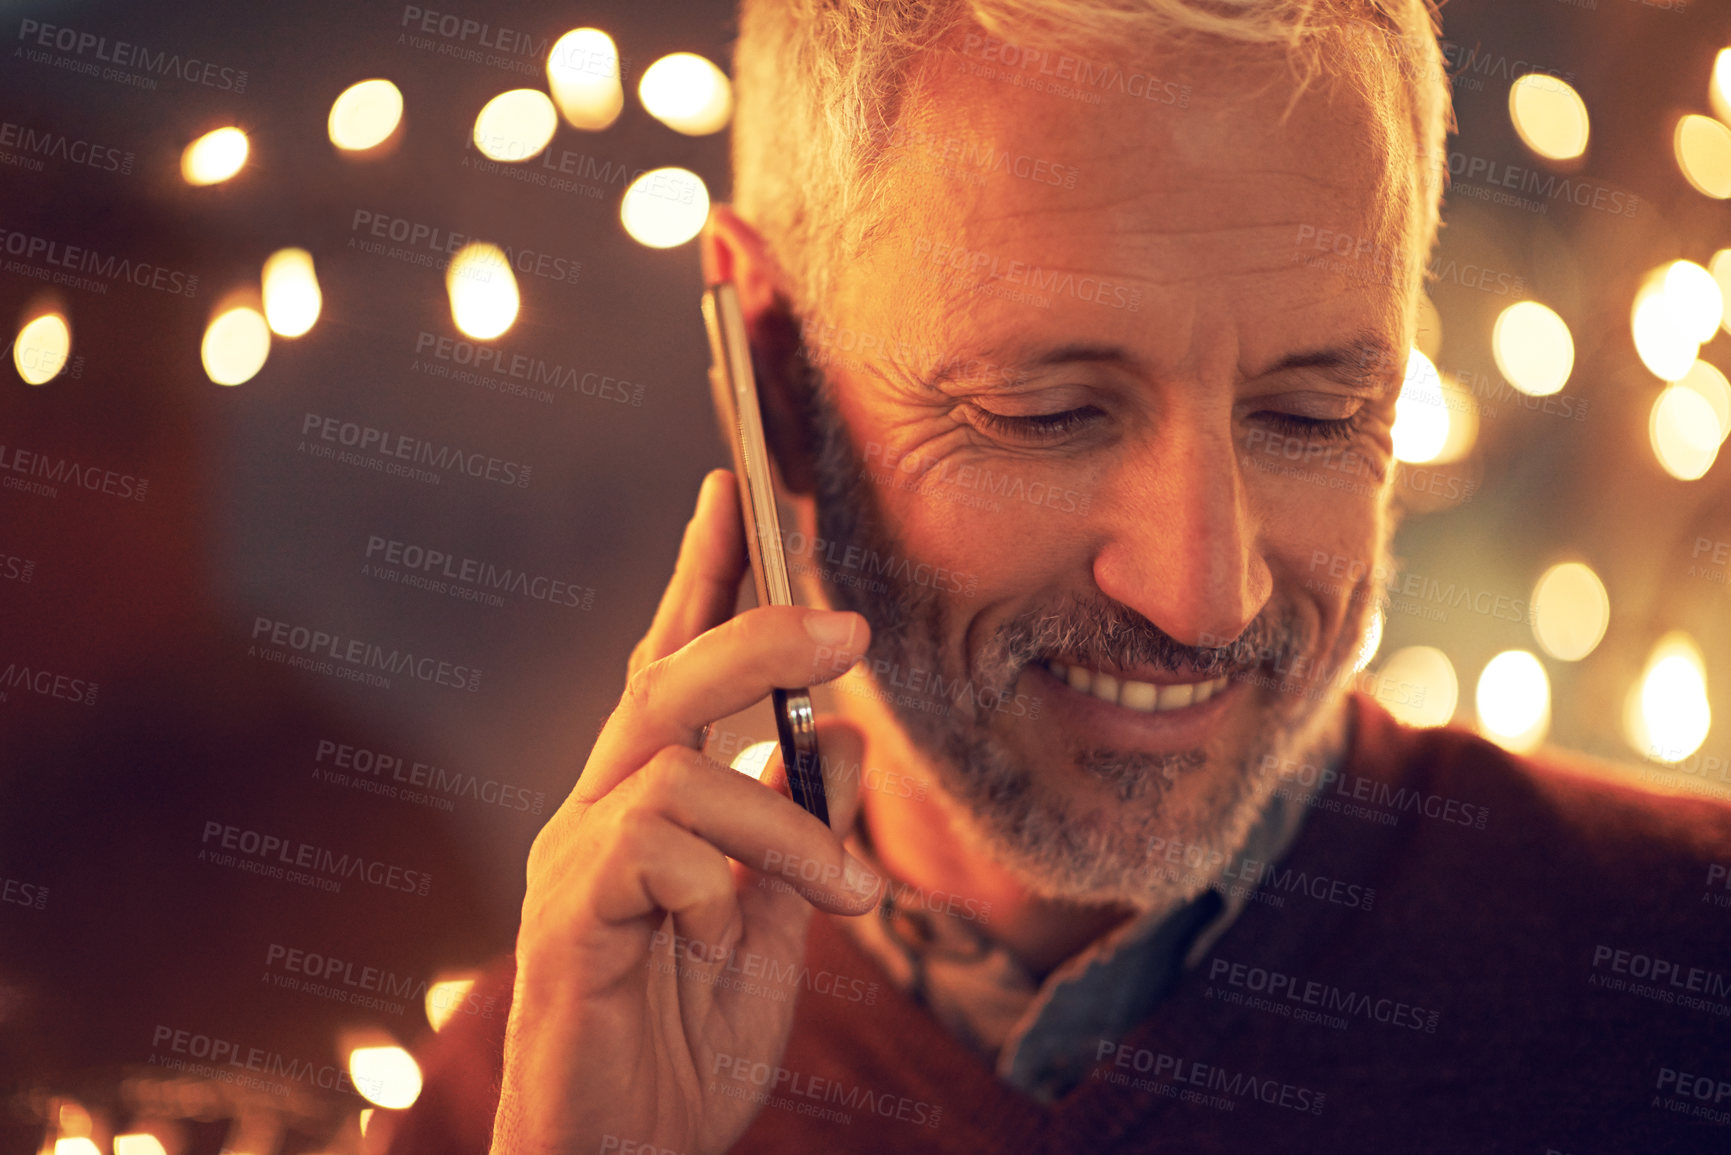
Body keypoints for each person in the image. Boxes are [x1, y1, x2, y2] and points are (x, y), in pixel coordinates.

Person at [386, 1, 1731, 1152]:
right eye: (1049, 413)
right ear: (773, 369)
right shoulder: (518, 1096)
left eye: (1315, 414)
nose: (1206, 596)